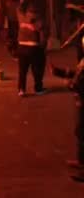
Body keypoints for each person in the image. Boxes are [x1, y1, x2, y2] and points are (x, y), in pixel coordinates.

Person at [51, 13, 84, 181]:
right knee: (80, 131)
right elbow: (78, 73)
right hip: (80, 97)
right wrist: (60, 72)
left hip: (82, 96)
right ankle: (81, 161)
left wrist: (71, 85)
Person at [16, 0, 47, 97]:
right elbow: (42, 35)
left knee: (22, 70)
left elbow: (18, 9)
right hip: (34, 47)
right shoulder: (39, 19)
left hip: (21, 46)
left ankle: (21, 90)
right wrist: (43, 46)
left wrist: (22, 2)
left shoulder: (22, 17)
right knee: (37, 69)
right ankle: (38, 89)